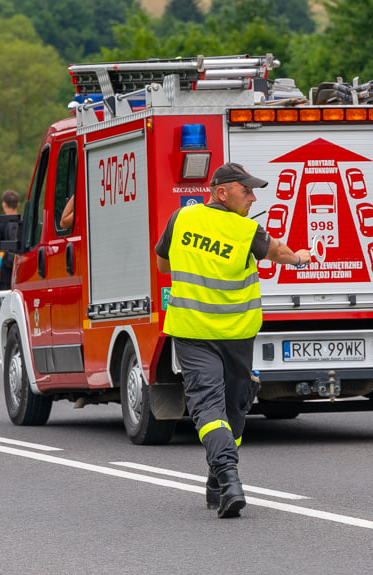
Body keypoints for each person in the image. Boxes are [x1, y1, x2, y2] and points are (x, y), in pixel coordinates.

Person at [155, 162, 312, 518]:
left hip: (194, 331)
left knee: (216, 409)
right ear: (221, 192)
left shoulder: (181, 219)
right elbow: (281, 254)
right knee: (230, 407)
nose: (253, 198)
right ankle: (229, 477)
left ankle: (218, 478)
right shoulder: (247, 231)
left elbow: (163, 266)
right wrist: (301, 258)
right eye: (247, 191)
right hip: (232, 335)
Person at [0, 190, 20, 291]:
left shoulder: (1, 223)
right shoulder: (24, 222)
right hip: (22, 264)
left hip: (7, 266)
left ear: (4, 204)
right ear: (18, 204)